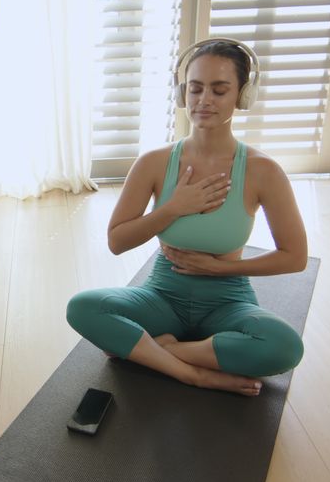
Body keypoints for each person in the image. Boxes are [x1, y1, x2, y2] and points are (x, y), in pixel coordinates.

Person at [66, 38, 308, 396]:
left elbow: (295, 257)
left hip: (227, 301)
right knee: (82, 308)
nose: (204, 100)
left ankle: (161, 351)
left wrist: (220, 269)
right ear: (182, 94)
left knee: (284, 347)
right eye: (195, 89)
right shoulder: (154, 162)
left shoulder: (263, 172)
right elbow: (118, 241)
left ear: (242, 96)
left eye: (219, 90)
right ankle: (193, 373)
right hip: (163, 296)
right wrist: (173, 208)